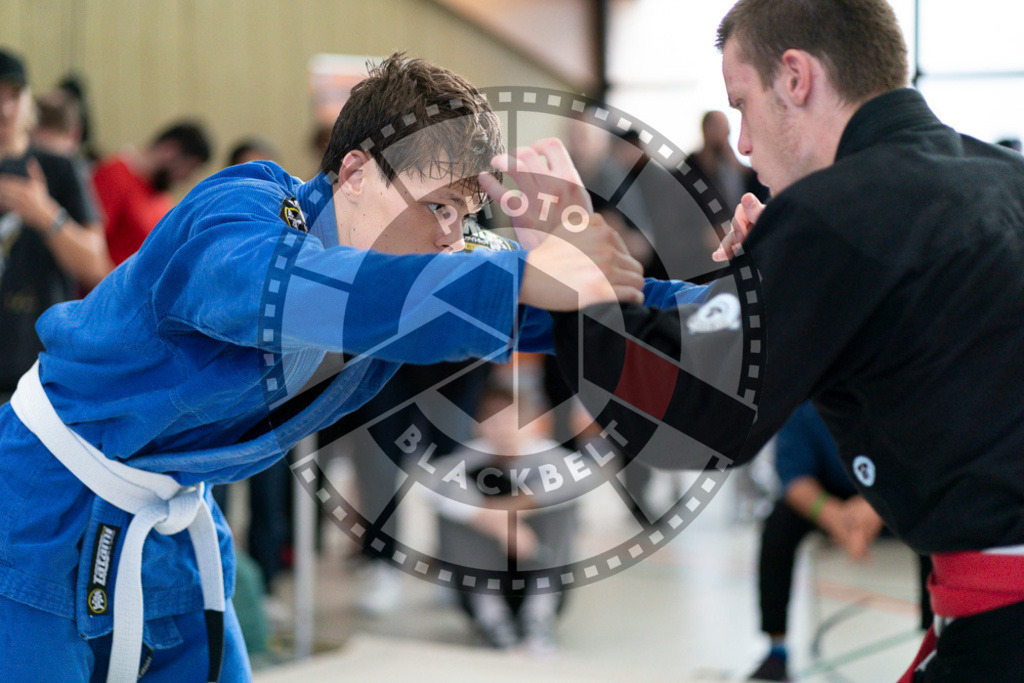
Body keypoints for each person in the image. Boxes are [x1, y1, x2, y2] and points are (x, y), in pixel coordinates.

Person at [0, 53, 693, 682]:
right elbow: (293, 293)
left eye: (464, 212)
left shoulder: (428, 265)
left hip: (170, 519)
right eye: (435, 206)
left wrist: (743, 294)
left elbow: (606, 302)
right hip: (40, 504)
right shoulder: (236, 213)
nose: (450, 236)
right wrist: (520, 277)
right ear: (356, 171)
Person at [550, 1, 1024, 679]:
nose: (743, 141)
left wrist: (578, 288)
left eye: (742, 103)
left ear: (796, 78)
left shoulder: (840, 213)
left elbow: (699, 417)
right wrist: (774, 284)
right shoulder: (1000, 178)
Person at [749, 402, 931, 681]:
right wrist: (837, 519)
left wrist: (876, 502)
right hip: (832, 500)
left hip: (890, 491)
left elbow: (917, 458)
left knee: (935, 523)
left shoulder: (887, 387)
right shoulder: (804, 402)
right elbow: (794, 477)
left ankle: (937, 639)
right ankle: (776, 649)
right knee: (778, 527)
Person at [428, 381, 580, 653]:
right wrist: (502, 527)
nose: (507, 429)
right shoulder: (469, 458)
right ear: (479, 426)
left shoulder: (553, 459)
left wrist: (508, 513)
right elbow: (433, 484)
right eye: (496, 421)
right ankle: (491, 619)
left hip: (539, 571)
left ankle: (538, 619)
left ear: (534, 424)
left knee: (561, 507)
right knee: (453, 505)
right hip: (481, 585)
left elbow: (574, 482)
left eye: (515, 421)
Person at [0, 48, 110, 401]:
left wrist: (46, 214)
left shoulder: (60, 169)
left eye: (14, 96)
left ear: (29, 101)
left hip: (38, 376)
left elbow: (96, 266)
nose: (5, 109)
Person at [91, 120, 212, 265]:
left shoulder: (162, 196)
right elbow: (90, 250)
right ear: (170, 150)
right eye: (190, 167)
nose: (186, 178)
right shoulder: (114, 176)